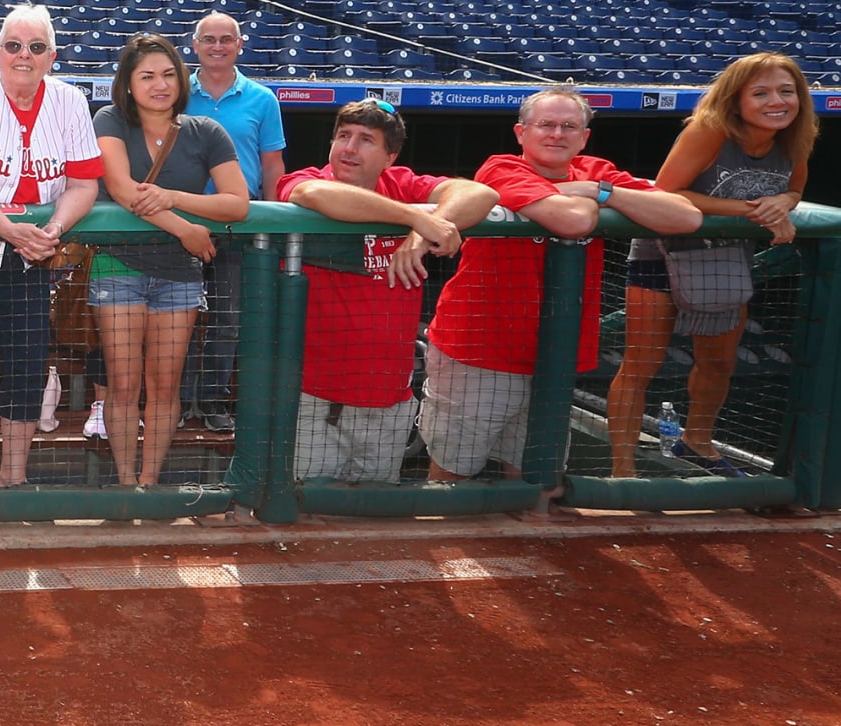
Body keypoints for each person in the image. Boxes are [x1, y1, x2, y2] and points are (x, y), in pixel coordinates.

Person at [422, 86, 701, 481]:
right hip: (480, 351)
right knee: (453, 472)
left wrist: (598, 190)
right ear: (521, 133)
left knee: (538, 476)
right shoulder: (501, 168)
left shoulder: (597, 172)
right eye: (546, 125)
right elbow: (574, 221)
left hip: (554, 354)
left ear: (584, 137)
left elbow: (686, 217)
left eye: (569, 126)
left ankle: (525, 543)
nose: (557, 134)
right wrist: (600, 200)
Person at [604, 53, 817, 478]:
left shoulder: (795, 137)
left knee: (720, 362)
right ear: (736, 100)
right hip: (663, 254)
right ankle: (622, 471)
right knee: (641, 364)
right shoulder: (710, 131)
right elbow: (666, 191)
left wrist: (783, 203)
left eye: (786, 91)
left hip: (726, 260)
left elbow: (794, 189)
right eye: (761, 93)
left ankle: (696, 441)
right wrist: (750, 209)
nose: (777, 101)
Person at [278, 100, 497, 483]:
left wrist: (418, 236)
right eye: (343, 136)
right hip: (315, 395)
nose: (349, 148)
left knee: (374, 514)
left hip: (388, 397)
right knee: (307, 513)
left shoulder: (402, 184)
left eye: (366, 140)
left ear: (390, 156)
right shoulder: (309, 179)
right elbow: (311, 194)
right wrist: (416, 218)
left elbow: (480, 194)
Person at [0, 5, 102, 488]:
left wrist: (52, 230)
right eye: (13, 46)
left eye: (35, 47)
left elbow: (84, 184)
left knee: (27, 362)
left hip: (36, 251)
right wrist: (10, 231)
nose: (23, 56)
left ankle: (13, 476)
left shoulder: (71, 101)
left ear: (52, 56)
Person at [88, 33, 250, 487]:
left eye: (166, 75)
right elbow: (121, 189)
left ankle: (149, 485)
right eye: (147, 76)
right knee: (123, 386)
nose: (159, 85)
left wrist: (173, 197)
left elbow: (238, 204)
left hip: (179, 275)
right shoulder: (110, 120)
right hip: (119, 267)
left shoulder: (206, 132)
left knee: (164, 388)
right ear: (129, 83)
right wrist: (187, 228)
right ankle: (125, 486)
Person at [178, 12, 285, 433]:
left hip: (237, 226)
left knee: (229, 318)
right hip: (182, 222)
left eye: (226, 39)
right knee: (179, 316)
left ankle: (212, 400)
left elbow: (273, 166)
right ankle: (180, 400)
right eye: (209, 39)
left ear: (240, 45)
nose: (217, 46)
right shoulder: (175, 92)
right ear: (195, 44)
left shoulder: (263, 99)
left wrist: (274, 222)